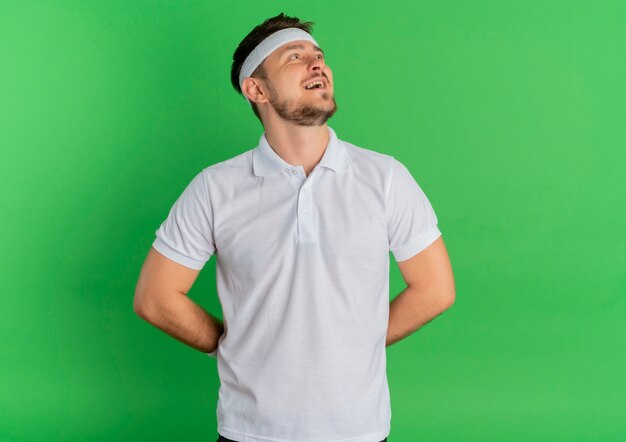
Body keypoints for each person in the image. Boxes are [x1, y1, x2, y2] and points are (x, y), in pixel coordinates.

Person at [134, 12, 455, 442]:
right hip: (250, 432)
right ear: (256, 88)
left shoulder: (386, 178)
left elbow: (436, 289)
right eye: (295, 57)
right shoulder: (215, 188)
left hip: (358, 430)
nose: (317, 64)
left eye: (318, 56)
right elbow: (155, 298)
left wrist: (359, 341)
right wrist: (229, 342)